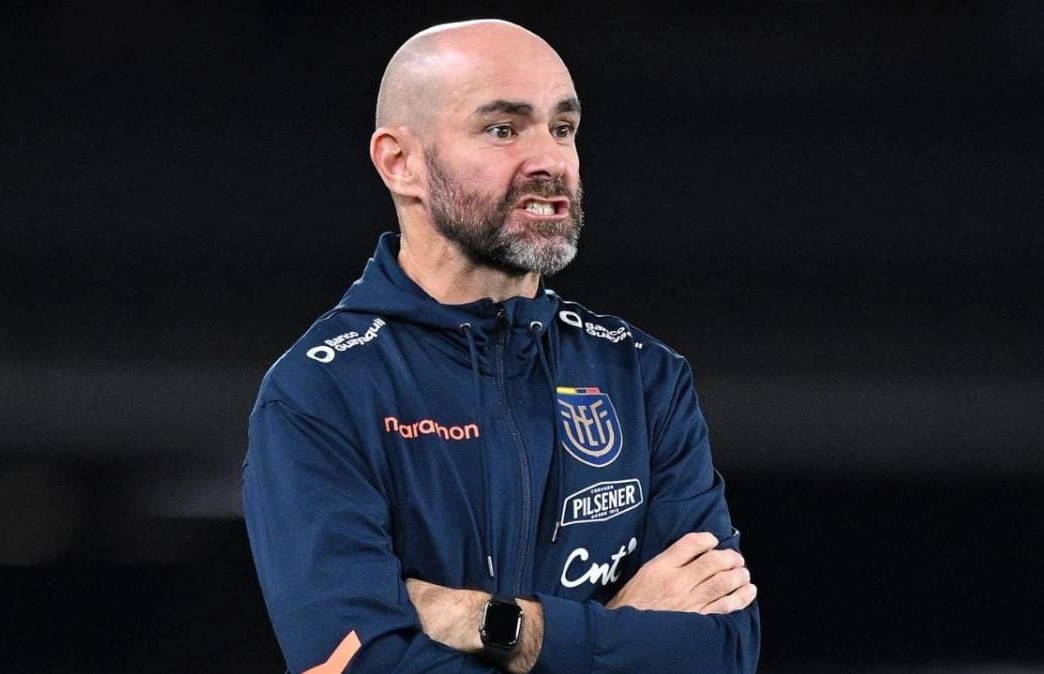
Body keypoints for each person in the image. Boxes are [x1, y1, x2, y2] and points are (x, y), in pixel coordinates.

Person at [242, 18, 760, 673]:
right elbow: (363, 665)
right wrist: (619, 627)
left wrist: (492, 624)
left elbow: (723, 653)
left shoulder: (642, 376)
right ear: (400, 163)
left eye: (562, 128)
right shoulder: (324, 391)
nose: (550, 161)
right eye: (503, 130)